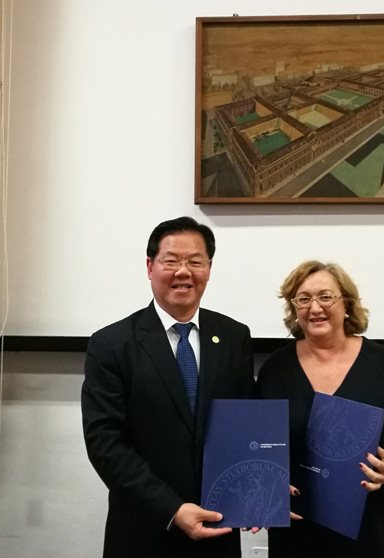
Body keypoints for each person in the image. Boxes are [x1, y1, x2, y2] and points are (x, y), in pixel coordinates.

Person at [81, 216, 254, 558]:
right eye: (171, 261)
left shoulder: (234, 337)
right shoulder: (112, 344)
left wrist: (262, 487)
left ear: (209, 268)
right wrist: (172, 509)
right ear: (150, 267)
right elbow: (105, 444)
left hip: (217, 527)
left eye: (195, 262)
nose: (183, 272)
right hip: (143, 531)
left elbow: (246, 424)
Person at [256, 261, 384, 558]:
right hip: (295, 532)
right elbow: (258, 443)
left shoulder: (382, 364)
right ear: (294, 309)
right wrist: (266, 487)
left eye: (326, 296)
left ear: (346, 304)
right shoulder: (276, 368)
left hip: (367, 529)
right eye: (303, 299)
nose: (315, 307)